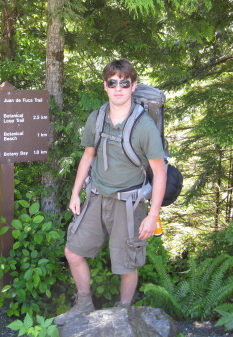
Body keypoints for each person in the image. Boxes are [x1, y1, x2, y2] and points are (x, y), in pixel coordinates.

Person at [54, 59, 167, 325]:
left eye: (124, 83)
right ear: (105, 86)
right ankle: (83, 304)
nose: (118, 88)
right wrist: (75, 193)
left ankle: (123, 312)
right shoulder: (97, 117)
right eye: (112, 82)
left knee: (127, 263)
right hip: (96, 196)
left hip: (129, 203)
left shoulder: (144, 126)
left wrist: (152, 215)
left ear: (133, 86)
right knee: (73, 251)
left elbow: (159, 172)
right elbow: (87, 156)